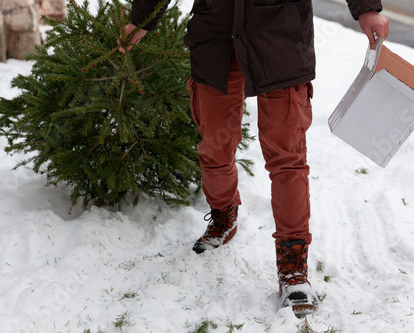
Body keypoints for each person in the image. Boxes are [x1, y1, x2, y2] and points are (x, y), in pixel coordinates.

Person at [120, 0, 389, 317]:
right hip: (215, 37)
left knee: (288, 158)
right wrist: (142, 17)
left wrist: (367, 8)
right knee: (214, 147)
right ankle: (224, 214)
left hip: (281, 37)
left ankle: (293, 267)